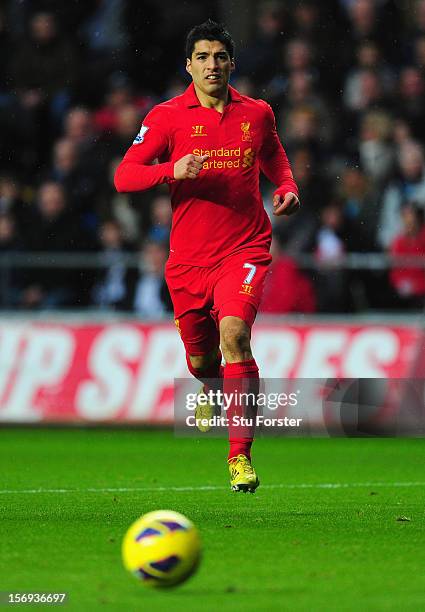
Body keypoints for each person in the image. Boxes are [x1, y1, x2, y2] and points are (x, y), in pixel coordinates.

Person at [114, 20, 299, 493]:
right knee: (201, 359)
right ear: (189, 66)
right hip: (188, 260)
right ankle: (208, 385)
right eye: (203, 57)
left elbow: (273, 152)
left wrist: (286, 184)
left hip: (245, 247)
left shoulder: (257, 113)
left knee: (234, 335)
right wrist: (170, 170)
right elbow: (124, 176)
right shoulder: (167, 117)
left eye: (220, 56)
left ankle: (240, 456)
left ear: (231, 62)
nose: (212, 65)